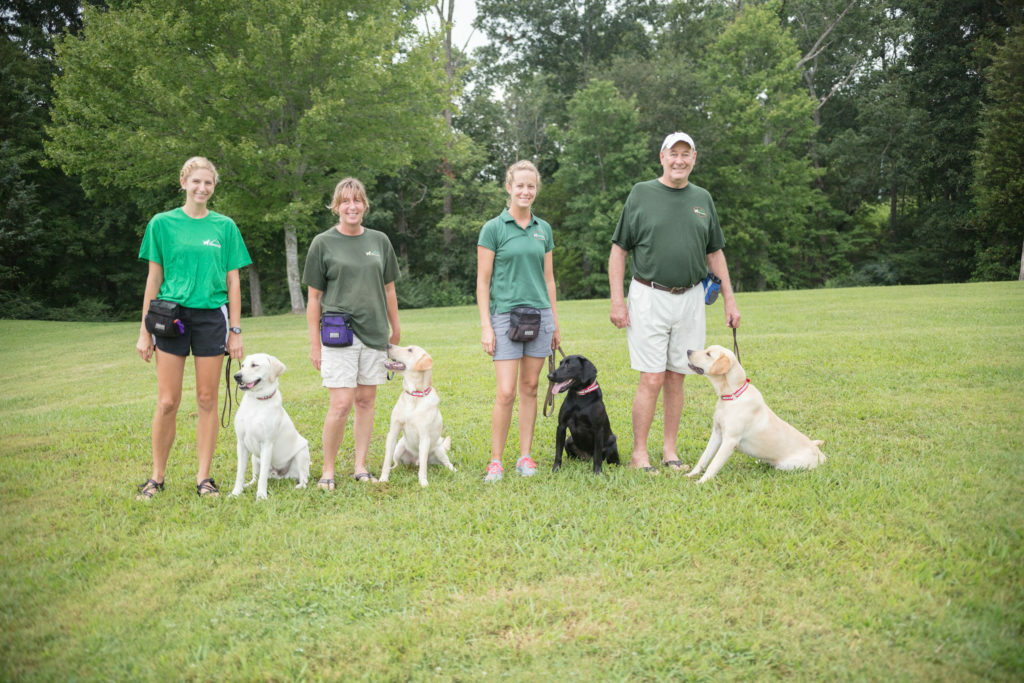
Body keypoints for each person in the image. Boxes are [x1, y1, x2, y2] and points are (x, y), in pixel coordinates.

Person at [608, 132, 741, 473]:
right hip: (648, 296)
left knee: (676, 377)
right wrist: (617, 301)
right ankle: (640, 453)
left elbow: (715, 253)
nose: (679, 160)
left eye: (686, 154)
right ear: (662, 157)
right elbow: (619, 250)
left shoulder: (703, 199)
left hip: (691, 298)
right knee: (651, 378)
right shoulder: (641, 193)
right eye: (673, 153)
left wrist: (729, 300)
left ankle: (670, 451)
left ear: (694, 158)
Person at [135, 156, 251, 499]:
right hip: (170, 316)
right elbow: (154, 278)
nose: (202, 188)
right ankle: (156, 476)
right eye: (196, 181)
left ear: (214, 187)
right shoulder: (162, 224)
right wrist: (145, 331)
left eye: (209, 183)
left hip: (211, 319)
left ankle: (204, 478)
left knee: (206, 399)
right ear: (183, 182)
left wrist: (236, 330)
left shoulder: (225, 227)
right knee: (168, 401)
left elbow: (234, 282)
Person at [303, 177, 400, 488]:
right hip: (338, 334)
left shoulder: (380, 241)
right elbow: (314, 297)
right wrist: (314, 344)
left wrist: (395, 328)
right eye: (345, 201)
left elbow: (389, 289)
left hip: (374, 333)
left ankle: (360, 466)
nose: (351, 206)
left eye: (356, 200)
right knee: (341, 403)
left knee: (366, 401)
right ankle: (328, 470)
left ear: (365, 205)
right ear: (336, 206)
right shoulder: (323, 243)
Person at [477, 160, 560, 482]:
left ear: (535, 190)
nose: (526, 191)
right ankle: (495, 460)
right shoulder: (494, 228)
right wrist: (486, 326)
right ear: (509, 188)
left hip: (540, 315)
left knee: (530, 387)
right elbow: (483, 282)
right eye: (520, 185)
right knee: (507, 391)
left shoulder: (544, 229)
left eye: (531, 186)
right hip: (504, 316)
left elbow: (549, 280)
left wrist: (554, 321)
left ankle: (525, 456)